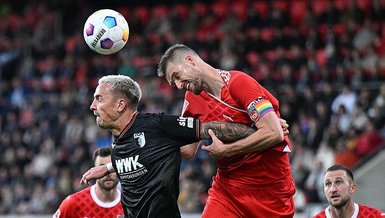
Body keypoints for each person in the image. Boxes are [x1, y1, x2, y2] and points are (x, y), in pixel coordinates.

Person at [80, 75, 258, 218]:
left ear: (120, 105)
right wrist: (109, 167)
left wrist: (260, 130)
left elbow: (209, 129)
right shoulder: (119, 139)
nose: (92, 106)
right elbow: (142, 158)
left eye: (99, 99)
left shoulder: (158, 125)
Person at [157, 43, 296, 217]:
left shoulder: (239, 83)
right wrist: (154, 134)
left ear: (190, 61)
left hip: (270, 191)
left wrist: (227, 150)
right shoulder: (192, 98)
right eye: (173, 82)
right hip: (227, 191)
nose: (178, 85)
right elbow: (187, 150)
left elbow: (274, 133)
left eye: (177, 76)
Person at [53, 147, 124, 218]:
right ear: (93, 170)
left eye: (111, 168)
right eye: (101, 168)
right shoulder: (73, 203)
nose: (107, 173)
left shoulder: (130, 204)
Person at [313, 164, 385, 218]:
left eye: (338, 182)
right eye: (328, 184)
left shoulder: (376, 216)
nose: (333, 189)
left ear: (352, 188)